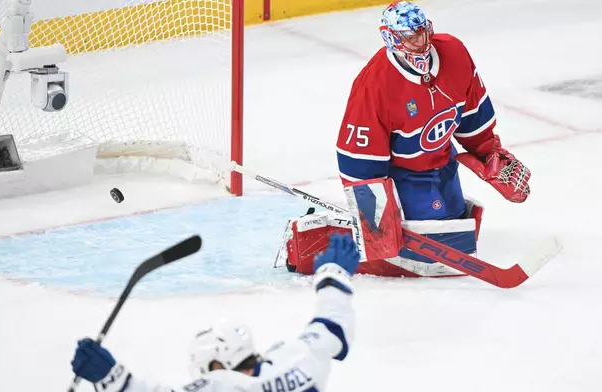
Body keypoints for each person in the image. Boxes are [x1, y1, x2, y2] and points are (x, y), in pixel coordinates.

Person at [277, 1, 531, 279]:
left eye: (422, 33)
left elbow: (472, 114)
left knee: (459, 226)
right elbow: (359, 160)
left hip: (443, 163)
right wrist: (377, 220)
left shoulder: (454, 53)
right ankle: (317, 241)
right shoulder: (374, 85)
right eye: (409, 37)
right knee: (429, 250)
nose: (419, 42)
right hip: (404, 175)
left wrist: (490, 154)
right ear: (391, 38)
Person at [71, 232, 360, 392]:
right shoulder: (296, 360)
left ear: (218, 365)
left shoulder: (224, 386)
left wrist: (113, 378)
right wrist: (331, 276)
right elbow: (331, 331)